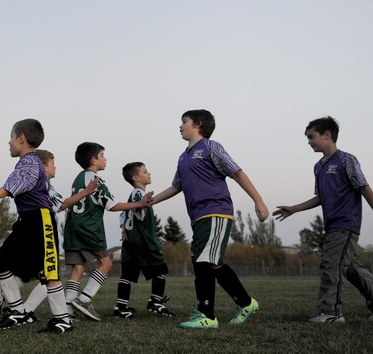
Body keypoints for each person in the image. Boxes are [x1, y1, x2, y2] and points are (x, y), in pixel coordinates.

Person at [150, 109, 268, 329]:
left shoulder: (211, 147)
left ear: (199, 124)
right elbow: (177, 186)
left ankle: (206, 314)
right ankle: (246, 302)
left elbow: (237, 172)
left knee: (203, 260)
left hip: (216, 211)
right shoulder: (183, 156)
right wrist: (151, 201)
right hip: (198, 217)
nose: (180, 126)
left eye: (184, 121)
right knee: (212, 262)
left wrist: (258, 200)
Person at [0, 119, 73, 333]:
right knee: (2, 261)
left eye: (11, 137)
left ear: (21, 138)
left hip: (41, 220)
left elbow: (8, 189)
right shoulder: (27, 162)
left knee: (48, 272)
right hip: (27, 220)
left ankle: (62, 320)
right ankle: (18, 311)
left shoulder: (30, 162)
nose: (9, 142)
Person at [274, 116, 373, 323]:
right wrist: (293, 209)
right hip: (332, 225)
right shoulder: (318, 167)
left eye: (312, 137)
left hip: (346, 224)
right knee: (351, 269)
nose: (309, 141)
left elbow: (363, 187)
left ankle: (331, 313)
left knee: (332, 265)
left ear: (327, 135)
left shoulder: (347, 160)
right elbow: (321, 197)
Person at [59, 142, 151, 322]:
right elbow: (112, 206)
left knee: (79, 267)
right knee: (106, 264)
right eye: (102, 155)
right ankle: (83, 300)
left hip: (72, 227)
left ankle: (67, 312)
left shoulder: (78, 178)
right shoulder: (96, 181)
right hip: (89, 229)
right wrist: (139, 204)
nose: (105, 159)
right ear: (94, 160)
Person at [0, 149, 74, 320]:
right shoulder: (41, 182)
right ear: (43, 166)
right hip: (38, 227)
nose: (55, 167)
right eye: (52, 164)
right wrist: (86, 193)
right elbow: (62, 205)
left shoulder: (43, 184)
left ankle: (20, 309)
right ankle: (31, 312)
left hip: (32, 225)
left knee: (34, 273)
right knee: (47, 273)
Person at [114, 162, 174, 319]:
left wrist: (124, 228)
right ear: (135, 177)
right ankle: (156, 302)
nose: (149, 174)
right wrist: (143, 205)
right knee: (159, 270)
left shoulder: (134, 195)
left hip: (131, 241)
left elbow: (124, 214)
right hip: (143, 240)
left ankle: (121, 307)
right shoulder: (139, 194)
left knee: (127, 274)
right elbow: (138, 212)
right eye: (145, 172)